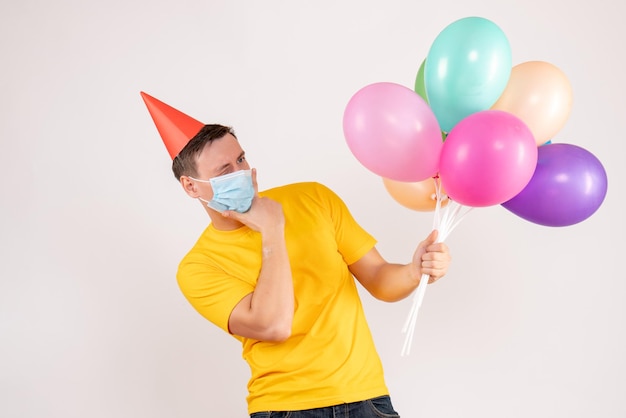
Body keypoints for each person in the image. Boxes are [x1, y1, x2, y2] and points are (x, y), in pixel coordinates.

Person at [141, 93, 451, 417]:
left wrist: (414, 271)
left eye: (242, 159)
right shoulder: (198, 267)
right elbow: (274, 326)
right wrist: (272, 230)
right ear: (191, 187)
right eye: (224, 171)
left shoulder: (313, 198)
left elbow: (378, 279)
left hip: (367, 399)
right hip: (285, 409)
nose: (242, 173)